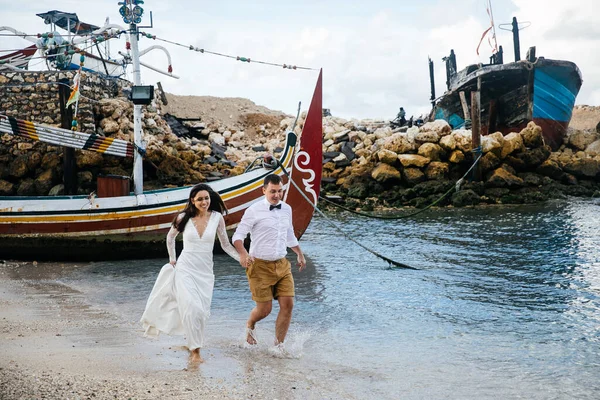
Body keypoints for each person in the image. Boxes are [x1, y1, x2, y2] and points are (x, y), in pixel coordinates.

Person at [140, 183, 240, 364]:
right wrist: (173, 259)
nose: (204, 202)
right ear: (193, 201)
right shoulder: (183, 217)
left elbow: (225, 244)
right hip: (185, 267)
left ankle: (192, 342)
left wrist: (241, 258)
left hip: (205, 272)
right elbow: (170, 237)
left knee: (200, 311)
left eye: (206, 198)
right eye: (200, 199)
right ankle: (196, 351)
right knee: (191, 307)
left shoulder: (217, 218)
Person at [232, 174, 306, 349]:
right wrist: (243, 254)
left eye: (280, 191)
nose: (277, 195)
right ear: (263, 190)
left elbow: (290, 235)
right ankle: (250, 324)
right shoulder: (253, 210)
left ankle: (278, 346)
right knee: (265, 310)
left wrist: (299, 254)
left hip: (282, 264)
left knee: (288, 305)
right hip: (259, 266)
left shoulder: (287, 209)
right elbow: (238, 236)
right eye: (273, 191)